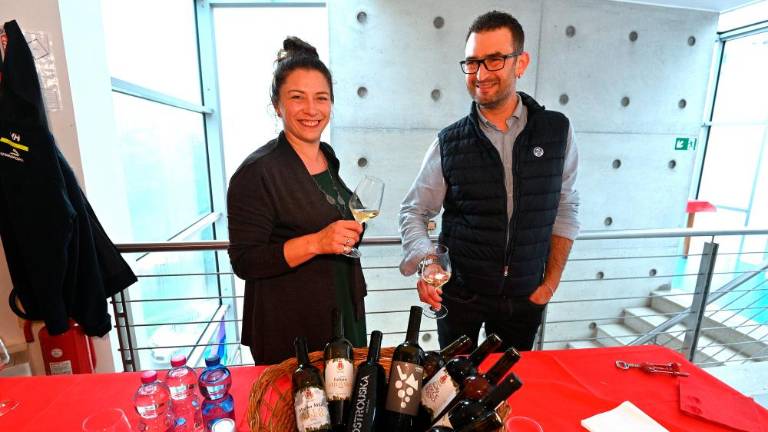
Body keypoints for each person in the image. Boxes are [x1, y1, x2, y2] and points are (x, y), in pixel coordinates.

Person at [399, 11, 580, 351]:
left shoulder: (557, 131)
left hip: (525, 299)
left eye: (494, 60)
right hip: (460, 298)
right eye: (472, 63)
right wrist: (427, 260)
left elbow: (565, 208)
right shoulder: (449, 141)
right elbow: (414, 211)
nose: (480, 74)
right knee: (451, 380)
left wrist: (549, 285)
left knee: (509, 382)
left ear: (520, 63)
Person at [227, 37, 367, 364]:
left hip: (343, 307)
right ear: (277, 105)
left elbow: (333, 213)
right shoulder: (257, 172)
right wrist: (317, 242)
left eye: (321, 98)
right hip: (292, 323)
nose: (311, 109)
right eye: (297, 97)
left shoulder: (327, 156)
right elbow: (245, 261)